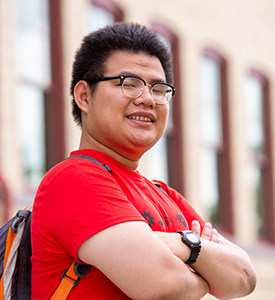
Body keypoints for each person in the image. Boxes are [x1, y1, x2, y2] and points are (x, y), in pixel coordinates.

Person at [31, 22, 256, 300]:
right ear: (84, 96)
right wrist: (205, 271)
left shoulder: (166, 195)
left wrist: (183, 245)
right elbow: (162, 285)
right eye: (130, 83)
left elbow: (243, 278)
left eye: (159, 88)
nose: (148, 99)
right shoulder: (73, 179)